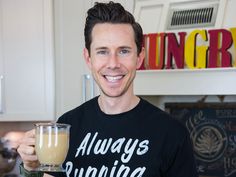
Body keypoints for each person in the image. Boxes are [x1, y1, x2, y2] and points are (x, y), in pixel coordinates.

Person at [17, 1, 198, 177]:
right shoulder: (67, 127)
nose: (113, 64)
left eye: (124, 51)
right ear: (88, 58)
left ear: (140, 57)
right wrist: (31, 168)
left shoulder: (172, 133)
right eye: (102, 51)